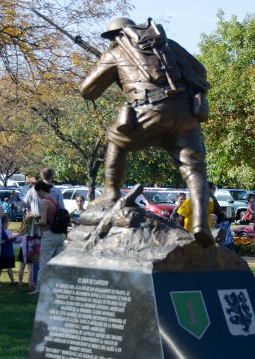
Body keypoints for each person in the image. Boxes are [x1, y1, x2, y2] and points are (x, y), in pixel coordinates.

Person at [80, 17, 213, 246]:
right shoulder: (167, 45)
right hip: (185, 111)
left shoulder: (115, 54)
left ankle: (111, 192)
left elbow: (87, 91)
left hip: (150, 111)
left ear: (115, 37)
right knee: (194, 168)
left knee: (116, 141)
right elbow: (200, 71)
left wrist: (109, 68)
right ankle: (200, 223)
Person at [33, 180, 66, 294]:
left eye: (37, 192)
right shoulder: (55, 201)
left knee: (44, 263)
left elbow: (44, 221)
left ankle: (39, 288)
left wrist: (37, 222)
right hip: (60, 235)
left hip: (49, 235)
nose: (37, 195)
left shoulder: (45, 203)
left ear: (41, 190)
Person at [0, 215, 22, 285]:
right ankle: (12, 281)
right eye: (8, 223)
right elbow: (15, 240)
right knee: (9, 268)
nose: (8, 224)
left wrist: (20, 237)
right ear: (5, 223)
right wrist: (20, 235)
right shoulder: (7, 232)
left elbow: (14, 241)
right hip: (9, 254)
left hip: (2, 254)